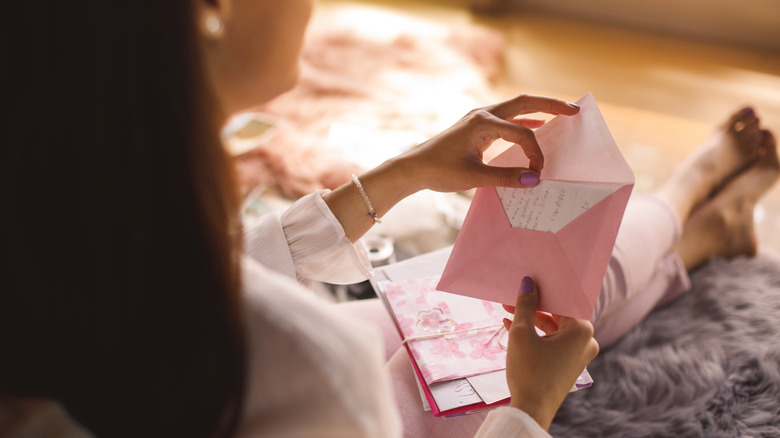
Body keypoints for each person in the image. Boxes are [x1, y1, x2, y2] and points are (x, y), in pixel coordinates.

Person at [0, 1, 777, 438]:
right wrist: (526, 410)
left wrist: (406, 172)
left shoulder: (73, 220)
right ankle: (687, 199)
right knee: (544, 308)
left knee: (510, 301)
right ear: (213, 12)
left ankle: (699, 231)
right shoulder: (309, 374)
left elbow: (197, 287)